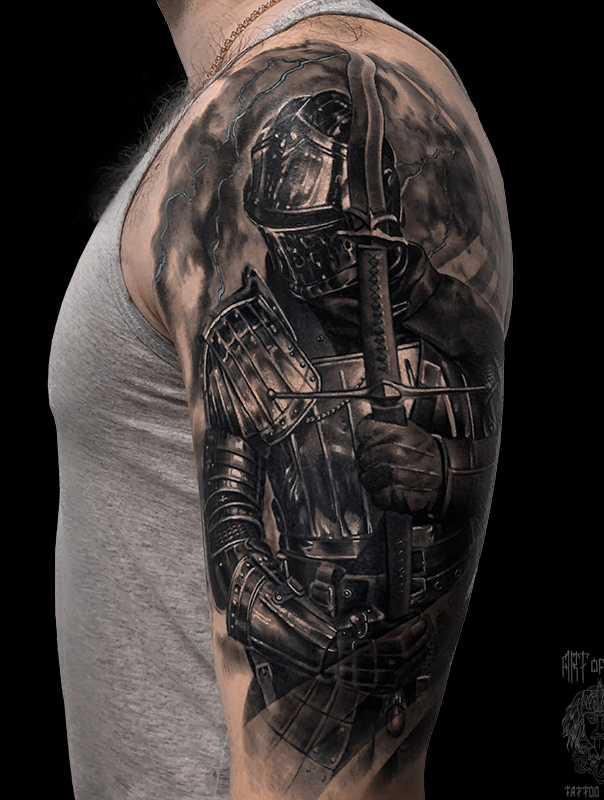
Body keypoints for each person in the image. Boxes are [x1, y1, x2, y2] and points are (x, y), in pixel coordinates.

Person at [49, 2, 512, 799]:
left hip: (356, 705)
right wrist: (268, 605)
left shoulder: (292, 87)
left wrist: (443, 472)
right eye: (289, 237)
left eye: (317, 236)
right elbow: (231, 507)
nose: (305, 259)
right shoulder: (251, 325)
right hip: (303, 676)